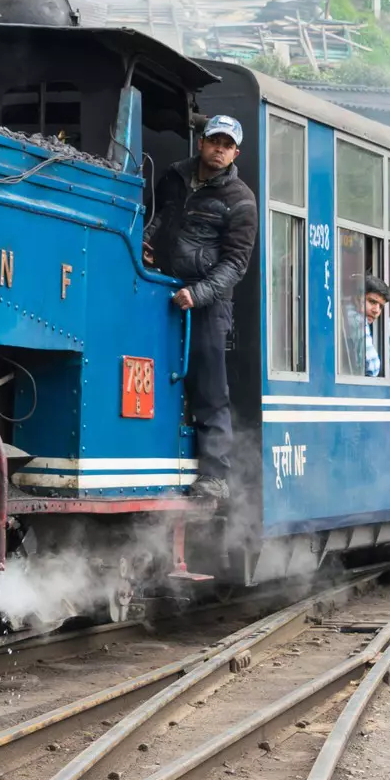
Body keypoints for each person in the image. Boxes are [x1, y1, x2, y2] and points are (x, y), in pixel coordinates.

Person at [145, 115, 258, 497]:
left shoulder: (241, 199)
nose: (220, 148)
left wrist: (201, 292)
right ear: (201, 142)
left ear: (235, 152)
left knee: (210, 387)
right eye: (215, 140)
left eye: (228, 144)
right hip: (160, 288)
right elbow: (155, 220)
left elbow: (236, 263)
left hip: (208, 302)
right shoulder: (173, 177)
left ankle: (215, 476)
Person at [344, 275, 390, 377]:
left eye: (381, 306)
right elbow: (372, 367)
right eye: (372, 301)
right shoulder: (357, 319)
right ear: (357, 299)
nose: (376, 310)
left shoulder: (344, 312)